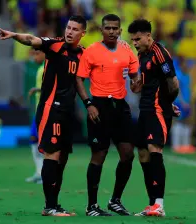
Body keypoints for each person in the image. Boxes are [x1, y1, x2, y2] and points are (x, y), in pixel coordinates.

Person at [0, 15, 87, 216]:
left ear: (83, 33)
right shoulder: (55, 45)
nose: (70, 31)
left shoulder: (83, 54)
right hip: (51, 108)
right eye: (68, 27)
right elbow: (31, 39)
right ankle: (50, 206)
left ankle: (54, 204)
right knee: (52, 154)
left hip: (67, 111)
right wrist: (14, 35)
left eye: (75, 29)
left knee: (62, 158)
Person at [76, 14, 141, 216]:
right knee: (99, 155)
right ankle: (92, 205)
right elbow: (79, 80)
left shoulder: (126, 50)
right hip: (99, 107)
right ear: (101, 30)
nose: (112, 31)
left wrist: (136, 82)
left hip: (120, 107)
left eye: (115, 28)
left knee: (128, 154)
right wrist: (88, 104)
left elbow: (134, 75)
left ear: (120, 31)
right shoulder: (92, 51)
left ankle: (115, 200)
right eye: (108, 28)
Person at [128, 19, 179, 217]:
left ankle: (159, 203)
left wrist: (167, 104)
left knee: (154, 149)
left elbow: (173, 83)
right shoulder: (142, 54)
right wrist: (137, 86)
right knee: (142, 153)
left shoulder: (160, 53)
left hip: (158, 110)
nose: (135, 42)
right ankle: (151, 204)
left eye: (138, 39)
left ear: (148, 36)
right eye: (133, 39)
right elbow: (149, 81)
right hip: (145, 109)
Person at [25, 49, 45, 184]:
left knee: (44, 143)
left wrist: (37, 89)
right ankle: (39, 172)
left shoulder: (48, 68)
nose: (35, 56)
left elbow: (55, 87)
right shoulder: (41, 68)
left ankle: (45, 174)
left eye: (37, 53)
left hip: (47, 110)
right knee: (34, 139)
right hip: (39, 109)